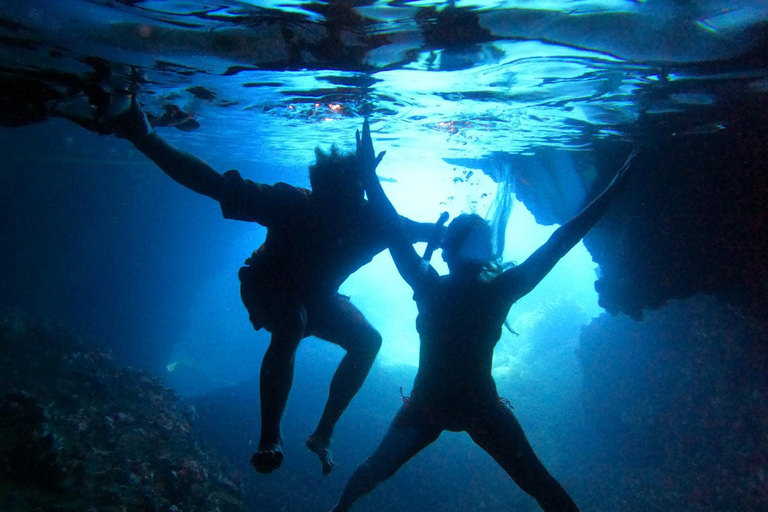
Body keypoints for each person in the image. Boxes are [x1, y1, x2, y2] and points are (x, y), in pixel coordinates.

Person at [71, 98, 438, 476]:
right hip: (267, 286)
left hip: (320, 297)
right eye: (323, 196)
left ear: (354, 195)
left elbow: (427, 231)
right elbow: (211, 184)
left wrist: (446, 236)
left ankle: (323, 433)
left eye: (335, 198)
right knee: (292, 321)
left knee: (367, 340)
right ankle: (270, 436)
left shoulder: (371, 220)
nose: (326, 207)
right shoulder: (297, 204)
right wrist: (145, 138)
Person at [329, 121, 639, 512]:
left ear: (445, 251)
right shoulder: (498, 290)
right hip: (480, 409)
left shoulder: (431, 286)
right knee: (540, 485)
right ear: (488, 253)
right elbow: (563, 240)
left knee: (373, 472)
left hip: (429, 406)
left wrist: (370, 180)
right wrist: (615, 188)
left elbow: (392, 228)